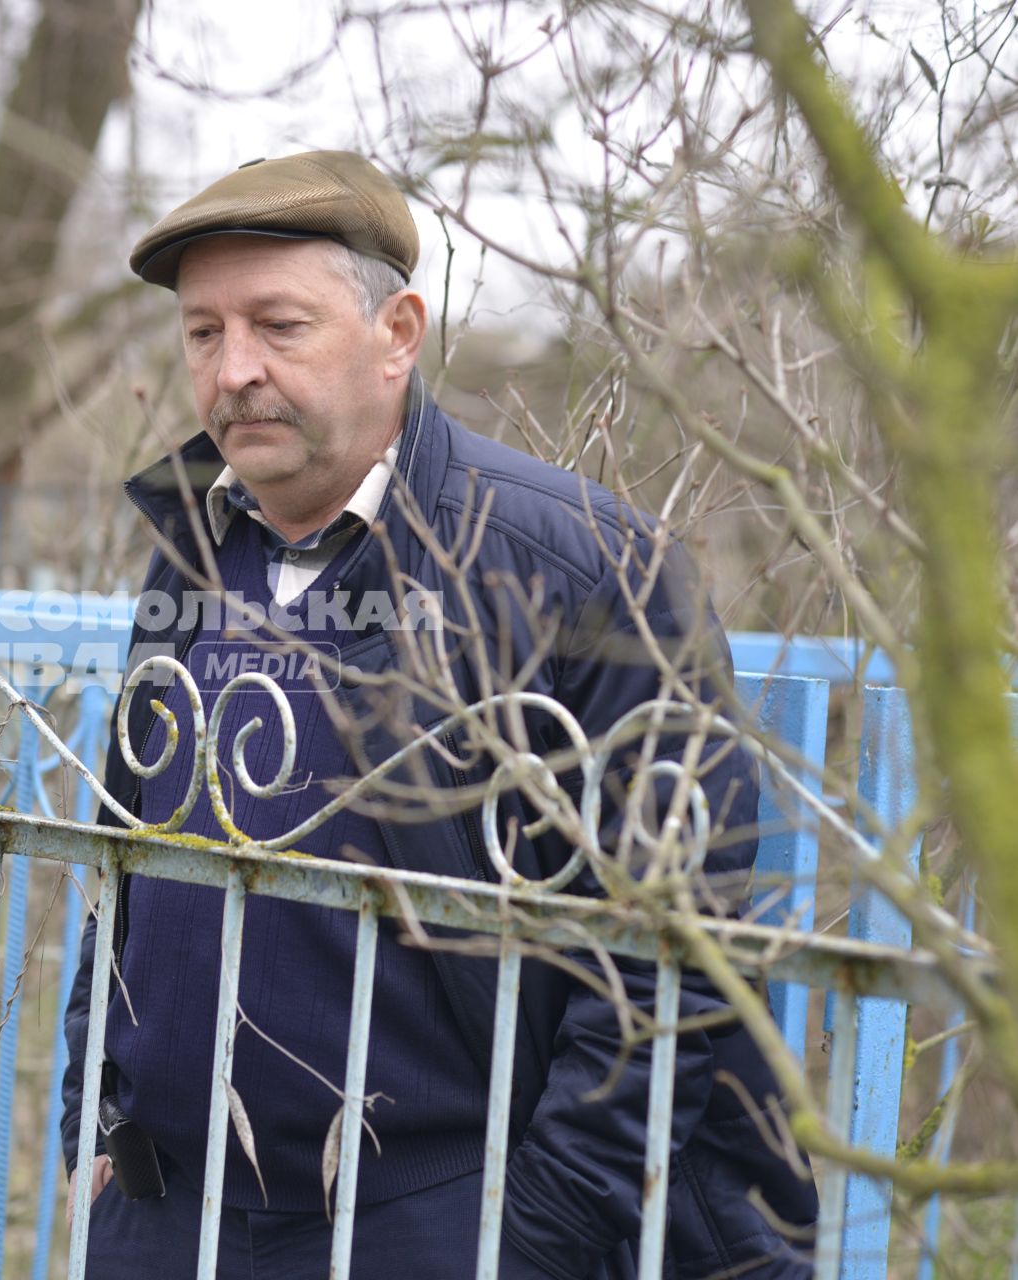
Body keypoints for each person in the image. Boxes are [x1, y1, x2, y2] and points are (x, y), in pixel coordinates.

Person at [59, 151, 816, 1279]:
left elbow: (680, 945)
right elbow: (127, 858)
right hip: (167, 1215)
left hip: (429, 1219)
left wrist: (537, 1237)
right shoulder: (197, 540)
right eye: (203, 333)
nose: (234, 372)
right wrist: (92, 1108)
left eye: (279, 325)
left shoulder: (577, 565)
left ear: (398, 332)